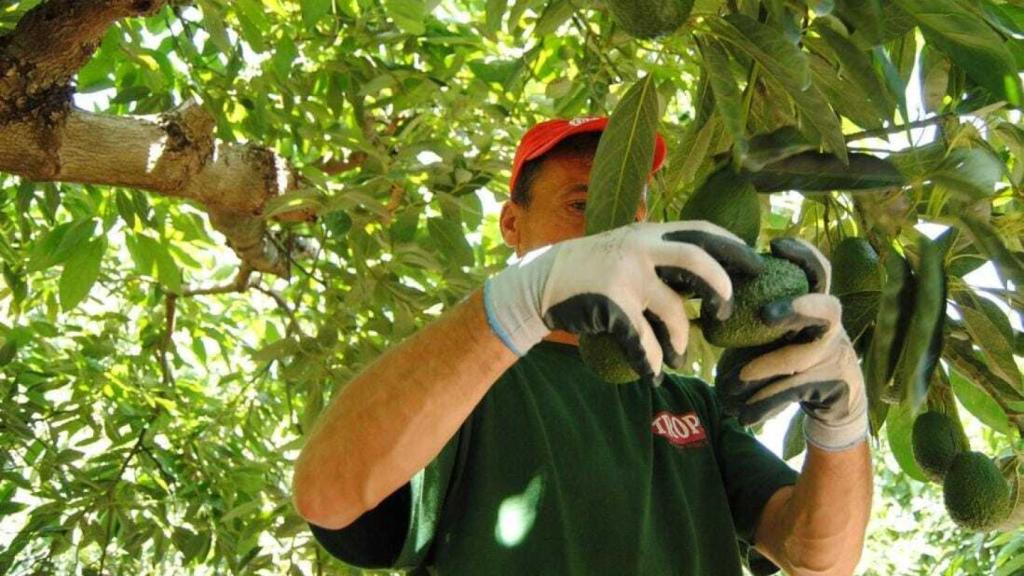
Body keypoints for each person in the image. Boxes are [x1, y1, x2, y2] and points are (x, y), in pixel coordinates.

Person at [292, 117, 873, 575]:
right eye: (581, 204)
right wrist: (517, 301)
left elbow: (820, 559)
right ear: (513, 226)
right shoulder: (463, 380)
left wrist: (841, 423)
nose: (611, 227)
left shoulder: (694, 404)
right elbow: (328, 495)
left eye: (629, 209)